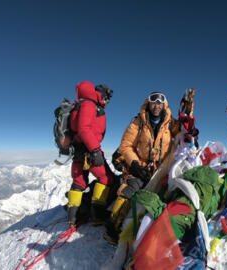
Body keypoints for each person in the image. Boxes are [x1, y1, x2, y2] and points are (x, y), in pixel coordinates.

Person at [104, 91, 181, 244]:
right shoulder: (138, 122)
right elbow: (126, 146)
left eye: (160, 103)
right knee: (131, 188)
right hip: (142, 165)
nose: (156, 106)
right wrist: (135, 164)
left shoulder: (170, 122)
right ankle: (112, 225)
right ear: (148, 103)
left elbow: (183, 133)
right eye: (154, 102)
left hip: (162, 168)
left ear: (164, 105)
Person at [66, 81, 118, 227]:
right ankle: (97, 215)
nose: (107, 102)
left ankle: (72, 219)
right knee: (106, 178)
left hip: (78, 151)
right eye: (107, 98)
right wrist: (95, 150)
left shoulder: (80, 104)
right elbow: (84, 129)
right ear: (102, 95)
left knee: (79, 182)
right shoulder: (89, 104)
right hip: (89, 151)